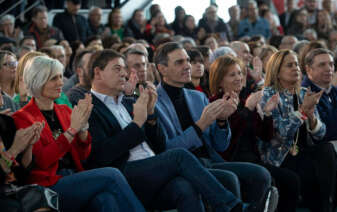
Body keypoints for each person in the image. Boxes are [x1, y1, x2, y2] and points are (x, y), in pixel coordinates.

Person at [86, 49, 246, 212]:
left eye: (124, 69)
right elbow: (102, 155)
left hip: (153, 165)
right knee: (179, 156)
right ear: (98, 73)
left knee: (185, 188)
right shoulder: (89, 108)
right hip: (124, 172)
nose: (124, 74)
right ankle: (231, 206)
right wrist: (136, 124)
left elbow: (159, 144)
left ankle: (230, 205)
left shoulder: (127, 102)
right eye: (117, 69)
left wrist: (150, 116)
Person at [12, 55, 147, 212]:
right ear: (38, 81)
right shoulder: (22, 117)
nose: (61, 83)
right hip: (48, 185)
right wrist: (71, 132)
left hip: (74, 177)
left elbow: (83, 156)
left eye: (61, 77)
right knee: (112, 175)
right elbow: (41, 162)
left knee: (106, 199)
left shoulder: (64, 110)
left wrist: (83, 133)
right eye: (54, 79)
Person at [154, 42, 272, 211]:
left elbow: (219, 145)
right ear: (162, 69)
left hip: (209, 161)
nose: (187, 65)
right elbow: (167, 150)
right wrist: (200, 125)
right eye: (179, 62)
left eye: (187, 60)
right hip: (183, 168)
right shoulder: (154, 103)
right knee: (229, 179)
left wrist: (222, 121)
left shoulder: (197, 97)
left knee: (261, 175)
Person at [208, 55, 298, 212]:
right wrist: (248, 110)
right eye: (232, 74)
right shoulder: (214, 102)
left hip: (252, 158)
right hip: (230, 159)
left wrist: (268, 113)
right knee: (284, 180)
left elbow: (265, 136)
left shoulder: (244, 101)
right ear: (220, 80)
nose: (239, 78)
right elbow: (225, 143)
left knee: (291, 179)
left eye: (240, 73)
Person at [260, 49, 337, 212]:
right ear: (277, 71)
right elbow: (278, 134)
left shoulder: (304, 93)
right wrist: (302, 111)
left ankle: (327, 207)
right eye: (290, 65)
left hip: (302, 150)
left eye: (296, 64)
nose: (296, 68)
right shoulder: (267, 95)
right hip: (279, 154)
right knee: (309, 170)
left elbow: (320, 134)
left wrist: (311, 118)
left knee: (326, 149)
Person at [302, 48, 337, 174]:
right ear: (309, 69)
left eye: (331, 64)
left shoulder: (332, 90)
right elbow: (323, 133)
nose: (329, 69)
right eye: (322, 65)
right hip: (320, 149)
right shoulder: (306, 93)